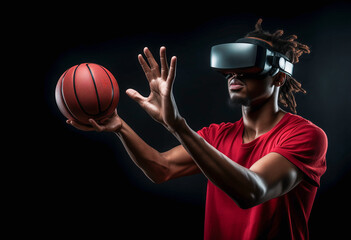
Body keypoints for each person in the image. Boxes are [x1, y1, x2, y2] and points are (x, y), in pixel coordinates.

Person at [67, 19, 327, 240]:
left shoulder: (305, 136)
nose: (234, 73)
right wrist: (120, 127)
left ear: (279, 76)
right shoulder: (217, 136)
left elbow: (253, 190)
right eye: (230, 65)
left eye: (248, 64)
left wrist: (177, 125)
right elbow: (161, 169)